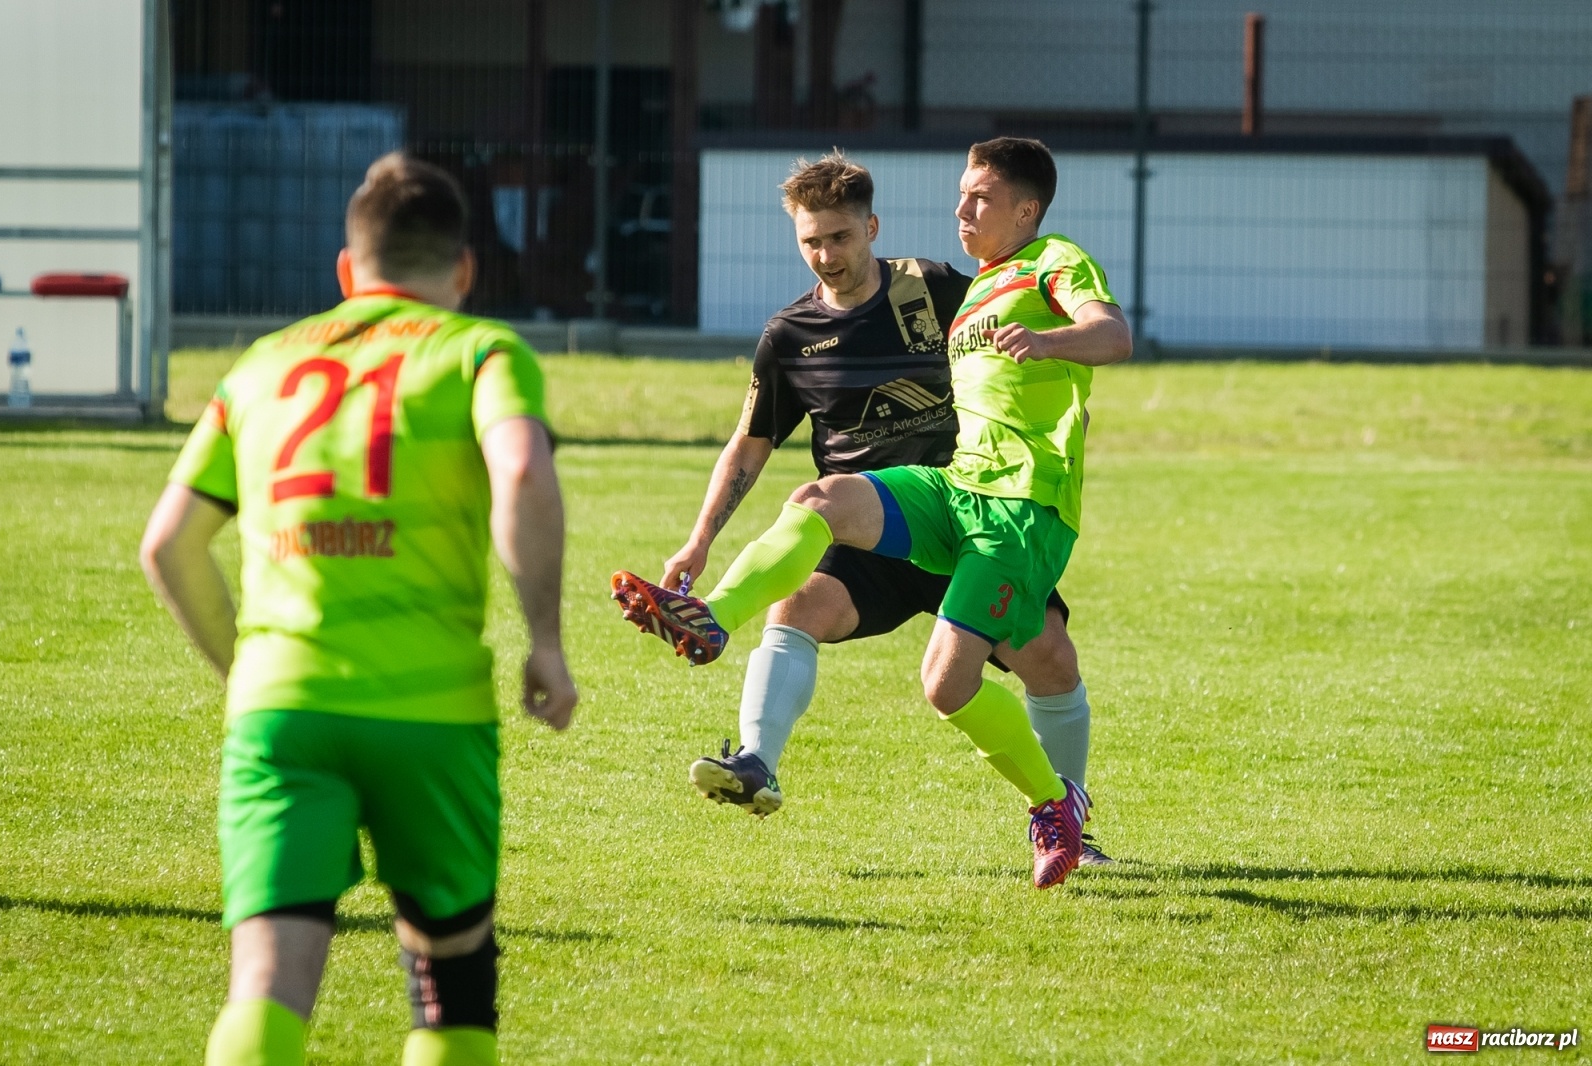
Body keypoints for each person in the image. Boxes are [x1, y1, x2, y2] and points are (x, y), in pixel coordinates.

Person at [140, 152, 576, 1066]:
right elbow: (525, 470)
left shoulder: (261, 365)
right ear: (462, 271)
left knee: (265, 985)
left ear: (348, 269)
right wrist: (545, 638)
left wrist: (250, 672)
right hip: (432, 711)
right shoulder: (479, 352)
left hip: (282, 707)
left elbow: (168, 544)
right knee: (451, 984)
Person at [613, 137, 1130, 889]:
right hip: (889, 516)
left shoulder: (954, 286)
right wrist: (698, 543)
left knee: (1045, 659)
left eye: (839, 237)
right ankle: (725, 658)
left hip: (989, 508)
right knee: (807, 544)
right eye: (810, 242)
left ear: (871, 230)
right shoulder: (790, 336)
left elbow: (1089, 332)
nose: (825, 255)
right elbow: (748, 446)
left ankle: (1066, 816)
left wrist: (1055, 355)